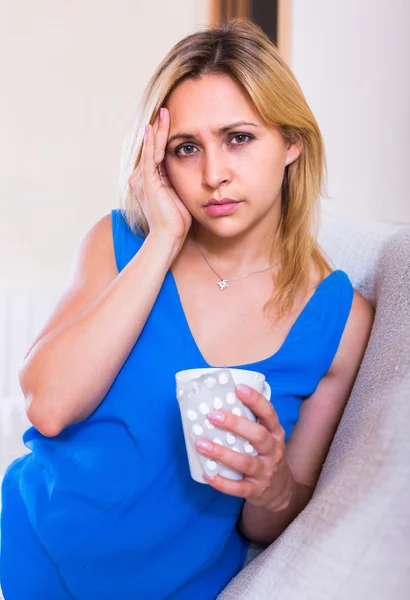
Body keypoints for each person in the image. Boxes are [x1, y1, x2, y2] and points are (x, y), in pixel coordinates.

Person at [0, 17, 374, 600]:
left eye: (239, 138)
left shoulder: (341, 323)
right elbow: (47, 407)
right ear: (159, 161)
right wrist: (162, 241)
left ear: (292, 142)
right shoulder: (120, 242)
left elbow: (264, 521)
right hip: (26, 560)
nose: (213, 174)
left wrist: (274, 486)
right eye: (186, 148)